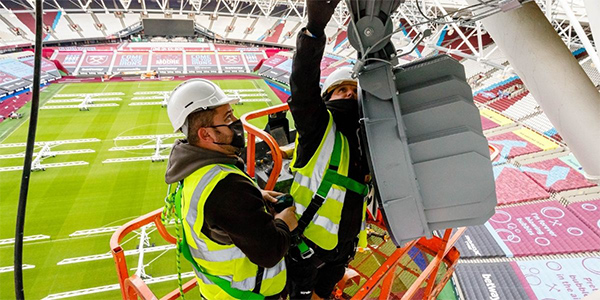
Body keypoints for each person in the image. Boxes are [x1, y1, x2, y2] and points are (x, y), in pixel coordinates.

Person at [164, 78, 297, 299]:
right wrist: (285, 221)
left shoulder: (191, 168)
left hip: (217, 291)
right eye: (228, 118)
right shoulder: (228, 189)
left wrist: (255, 195)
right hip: (248, 294)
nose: (237, 122)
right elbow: (270, 251)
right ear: (206, 134)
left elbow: (219, 209)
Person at [286, 0, 371, 298]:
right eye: (341, 91)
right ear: (328, 97)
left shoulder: (366, 139)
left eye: (354, 92)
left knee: (325, 293)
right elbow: (303, 88)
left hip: (343, 249)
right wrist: (314, 32)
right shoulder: (319, 128)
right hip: (306, 249)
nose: (349, 95)